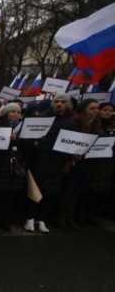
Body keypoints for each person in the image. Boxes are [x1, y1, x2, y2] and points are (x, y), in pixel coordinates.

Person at [19, 93, 74, 233]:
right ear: (52, 104)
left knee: (48, 192)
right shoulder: (40, 119)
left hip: (56, 162)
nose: (59, 104)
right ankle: (29, 218)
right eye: (57, 101)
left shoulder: (71, 122)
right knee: (33, 191)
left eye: (63, 102)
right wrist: (34, 143)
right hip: (38, 161)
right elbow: (24, 140)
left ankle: (41, 219)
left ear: (67, 105)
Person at [57, 98, 102, 230]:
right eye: (92, 108)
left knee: (76, 192)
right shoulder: (73, 123)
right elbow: (65, 143)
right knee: (68, 191)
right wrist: (71, 155)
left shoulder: (95, 125)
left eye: (96, 108)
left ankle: (70, 218)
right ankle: (61, 219)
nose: (95, 111)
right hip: (73, 164)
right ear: (83, 110)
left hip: (88, 164)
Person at [0, 102, 25, 232]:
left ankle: (4, 220)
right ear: (6, 114)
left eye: (18, 112)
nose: (15, 114)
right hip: (2, 166)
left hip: (16, 167)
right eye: (12, 111)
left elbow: (28, 148)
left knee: (10, 197)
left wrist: (18, 140)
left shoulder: (23, 129)